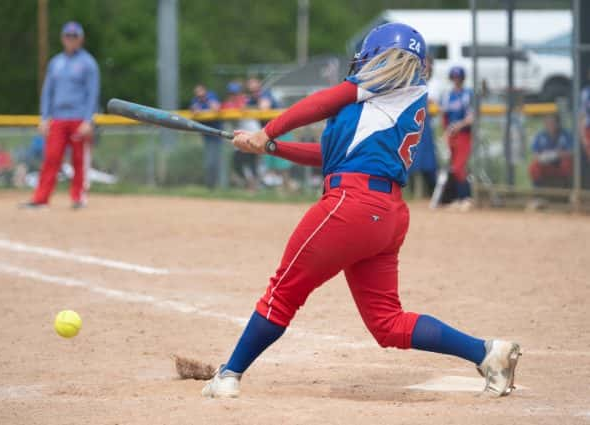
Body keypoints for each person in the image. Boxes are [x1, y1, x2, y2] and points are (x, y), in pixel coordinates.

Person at [202, 22, 521, 399]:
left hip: (350, 205)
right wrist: (271, 147)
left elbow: (320, 102)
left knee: (282, 292)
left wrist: (268, 131)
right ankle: (486, 353)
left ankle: (229, 375)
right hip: (384, 214)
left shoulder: (386, 84)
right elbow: (332, 158)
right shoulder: (392, 99)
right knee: (387, 323)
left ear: (380, 58)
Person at [23, 21, 99, 209]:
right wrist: (44, 117)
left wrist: (89, 120)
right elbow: (47, 92)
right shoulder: (56, 63)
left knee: (79, 160)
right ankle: (41, 198)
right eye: (67, 36)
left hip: (79, 117)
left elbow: (93, 93)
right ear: (63, 38)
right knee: (51, 158)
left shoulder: (88, 63)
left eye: (74, 36)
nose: (70, 40)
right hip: (58, 118)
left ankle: (78, 197)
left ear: (80, 39)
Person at [440, 66, 474, 210]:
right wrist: (446, 132)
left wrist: (459, 125)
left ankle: (466, 198)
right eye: (454, 78)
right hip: (451, 134)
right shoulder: (448, 95)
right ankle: (457, 198)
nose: (456, 81)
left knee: (459, 166)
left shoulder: (467, 94)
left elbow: (472, 117)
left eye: (458, 78)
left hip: (464, 134)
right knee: (453, 168)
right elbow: (445, 116)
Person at [407, 56, 438, 196]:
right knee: (412, 159)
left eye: (428, 65)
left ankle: (429, 193)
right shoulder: (411, 83)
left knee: (428, 161)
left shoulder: (435, 84)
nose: (426, 68)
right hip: (413, 126)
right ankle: (413, 192)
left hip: (427, 126)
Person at [223, 81, 260, 191]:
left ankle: (253, 186)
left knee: (251, 162)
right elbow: (224, 110)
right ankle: (250, 184)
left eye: (235, 93)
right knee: (238, 163)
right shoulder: (228, 103)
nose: (233, 95)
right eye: (231, 93)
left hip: (253, 133)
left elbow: (252, 104)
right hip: (241, 135)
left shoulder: (245, 100)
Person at [190, 84, 222, 189]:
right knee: (209, 162)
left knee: (215, 162)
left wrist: (206, 101)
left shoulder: (211, 96)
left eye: (201, 92)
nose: (199, 95)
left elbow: (216, 107)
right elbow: (194, 110)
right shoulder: (196, 100)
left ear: (205, 91)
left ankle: (216, 185)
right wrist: (197, 108)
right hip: (206, 136)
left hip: (217, 135)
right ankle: (210, 186)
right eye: (197, 93)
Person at [529, 114, 573, 188]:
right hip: (545, 163)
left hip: (560, 163)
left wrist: (557, 154)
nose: (550, 125)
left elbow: (571, 152)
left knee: (567, 164)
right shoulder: (540, 135)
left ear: (558, 123)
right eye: (547, 123)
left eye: (552, 122)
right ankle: (538, 191)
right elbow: (535, 154)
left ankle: (568, 190)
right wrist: (543, 157)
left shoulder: (566, 134)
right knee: (534, 167)